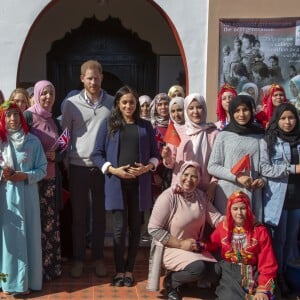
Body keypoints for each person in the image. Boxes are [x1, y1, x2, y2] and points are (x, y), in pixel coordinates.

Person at [92, 85, 160, 287]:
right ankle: (119, 270)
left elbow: (155, 155)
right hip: (117, 184)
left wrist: (147, 167)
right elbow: (97, 154)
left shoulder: (145, 126)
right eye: (124, 102)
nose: (129, 105)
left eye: (132, 102)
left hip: (139, 185)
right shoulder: (109, 125)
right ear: (118, 105)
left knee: (135, 229)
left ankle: (130, 270)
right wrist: (113, 170)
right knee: (119, 229)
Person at [61, 60, 114, 278]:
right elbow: (64, 136)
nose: (93, 82)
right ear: (82, 78)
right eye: (89, 78)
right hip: (77, 166)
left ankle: (99, 258)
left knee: (100, 216)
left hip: (102, 168)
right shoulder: (70, 104)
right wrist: (64, 164)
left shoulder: (112, 102)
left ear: (102, 77)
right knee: (79, 216)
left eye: (96, 77)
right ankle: (79, 259)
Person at [147, 161, 223, 300]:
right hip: (169, 247)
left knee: (216, 272)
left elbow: (217, 219)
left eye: (194, 176)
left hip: (193, 248)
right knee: (198, 268)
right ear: (180, 174)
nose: (189, 179)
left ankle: (184, 280)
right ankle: (171, 281)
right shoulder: (169, 196)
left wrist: (239, 220)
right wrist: (181, 244)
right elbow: (153, 228)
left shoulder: (201, 197)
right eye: (186, 174)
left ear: (199, 179)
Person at [0, 101, 47, 296]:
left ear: (21, 117)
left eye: (16, 114)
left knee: (29, 237)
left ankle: (27, 282)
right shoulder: (1, 142)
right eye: (8, 115)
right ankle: (6, 282)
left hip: (28, 197)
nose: (12, 119)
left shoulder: (33, 142)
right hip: (6, 198)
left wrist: (25, 176)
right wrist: (4, 174)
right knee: (8, 241)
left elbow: (42, 169)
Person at [24, 80, 64, 281]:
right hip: (31, 180)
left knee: (50, 225)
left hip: (51, 180)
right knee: (33, 224)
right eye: (44, 93)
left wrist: (56, 157)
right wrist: (39, 156)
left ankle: (50, 269)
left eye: (51, 93)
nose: (48, 97)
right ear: (37, 94)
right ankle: (34, 271)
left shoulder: (56, 121)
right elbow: (19, 143)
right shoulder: (28, 116)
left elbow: (64, 149)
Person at [205, 191, 278, 300]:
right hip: (230, 269)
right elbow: (210, 244)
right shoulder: (223, 228)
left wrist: (263, 289)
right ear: (229, 210)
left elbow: (268, 262)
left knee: (263, 297)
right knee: (231, 297)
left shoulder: (259, 231)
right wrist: (197, 245)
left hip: (253, 270)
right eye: (235, 209)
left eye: (243, 208)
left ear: (248, 209)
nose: (239, 212)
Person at [260, 103, 300, 297]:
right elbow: (265, 169)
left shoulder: (299, 140)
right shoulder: (269, 140)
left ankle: (287, 274)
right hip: (278, 199)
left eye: (291, 118)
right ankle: (276, 278)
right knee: (279, 240)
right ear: (277, 119)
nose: (287, 122)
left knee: (291, 241)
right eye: (283, 118)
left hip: (297, 199)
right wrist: (292, 169)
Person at [208, 95, 265, 221]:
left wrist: (262, 180)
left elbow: (264, 165)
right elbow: (212, 166)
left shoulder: (260, 135)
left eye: (245, 110)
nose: (241, 114)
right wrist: (237, 177)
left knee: (250, 235)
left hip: (252, 193)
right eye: (237, 111)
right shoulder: (223, 136)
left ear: (251, 111)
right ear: (231, 112)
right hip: (227, 194)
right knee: (228, 233)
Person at [162, 93, 218, 201]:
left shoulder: (213, 133)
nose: (195, 112)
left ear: (204, 109)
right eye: (191, 108)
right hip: (180, 186)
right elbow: (171, 164)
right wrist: (167, 158)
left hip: (204, 189)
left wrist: (213, 185)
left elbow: (218, 163)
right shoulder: (177, 131)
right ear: (186, 111)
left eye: (199, 107)